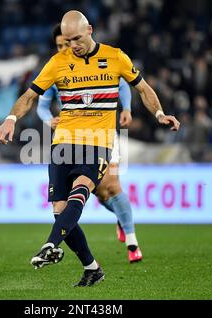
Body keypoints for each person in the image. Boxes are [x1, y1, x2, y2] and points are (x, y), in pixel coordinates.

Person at [0, 11, 180, 286]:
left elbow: (143, 89)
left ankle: (49, 246)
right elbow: (30, 96)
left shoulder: (115, 57)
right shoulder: (58, 62)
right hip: (63, 144)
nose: (73, 45)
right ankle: (92, 268)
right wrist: (11, 118)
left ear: (90, 30)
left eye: (78, 39)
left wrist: (159, 114)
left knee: (81, 191)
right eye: (68, 40)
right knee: (60, 211)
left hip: (98, 142)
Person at [37, 23, 143, 263]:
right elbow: (41, 105)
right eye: (61, 45)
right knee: (98, 192)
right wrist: (48, 120)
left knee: (112, 185)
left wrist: (125, 108)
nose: (68, 47)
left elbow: (123, 83)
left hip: (102, 132)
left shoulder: (102, 60)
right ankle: (118, 217)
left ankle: (132, 241)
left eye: (69, 42)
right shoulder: (56, 67)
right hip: (71, 138)